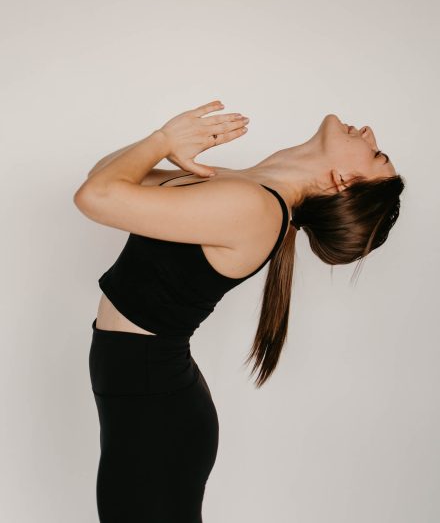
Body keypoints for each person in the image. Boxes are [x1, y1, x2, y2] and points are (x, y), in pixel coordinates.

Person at [73, 101, 405, 522]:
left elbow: (95, 196)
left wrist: (162, 141)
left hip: (154, 412)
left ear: (342, 181)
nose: (370, 133)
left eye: (376, 155)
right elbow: (105, 176)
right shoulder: (249, 188)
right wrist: (164, 146)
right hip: (143, 397)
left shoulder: (254, 207)